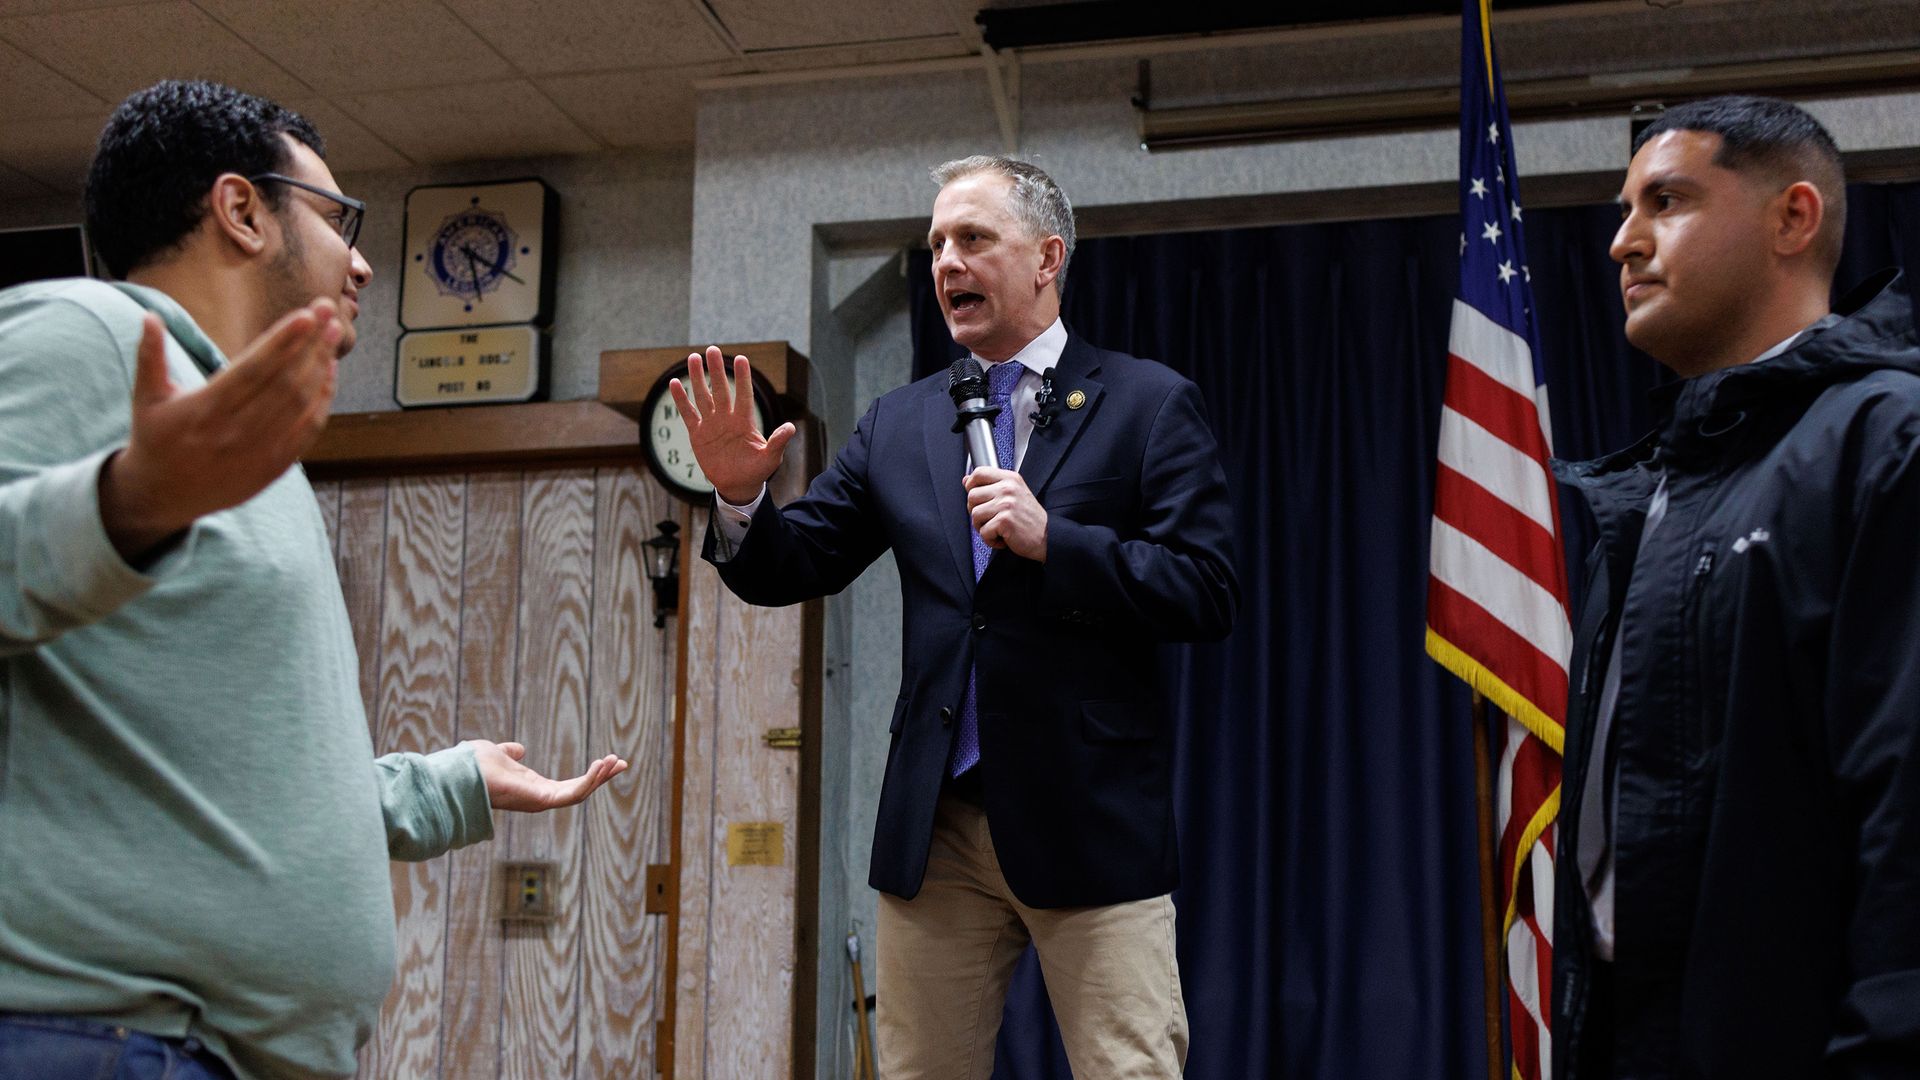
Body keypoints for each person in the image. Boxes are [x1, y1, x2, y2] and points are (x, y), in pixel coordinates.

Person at [0, 80, 627, 1080]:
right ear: (243, 211)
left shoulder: (239, 447)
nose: (366, 262)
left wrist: (446, 783)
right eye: (343, 220)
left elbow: (225, 782)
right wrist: (125, 502)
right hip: (98, 1040)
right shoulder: (85, 333)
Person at [672, 155, 1237, 1078]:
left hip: (1088, 822)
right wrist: (740, 500)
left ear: (1048, 256)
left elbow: (1207, 587)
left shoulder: (1148, 404)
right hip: (938, 828)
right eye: (936, 243)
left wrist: (1059, 540)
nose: (946, 262)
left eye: (973, 238)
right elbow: (793, 562)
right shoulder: (899, 423)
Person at [1553, 95, 1920, 1077]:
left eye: (1665, 202)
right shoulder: (1656, 493)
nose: (1623, 244)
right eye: (1624, 211)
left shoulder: (1888, 443)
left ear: (1791, 219)